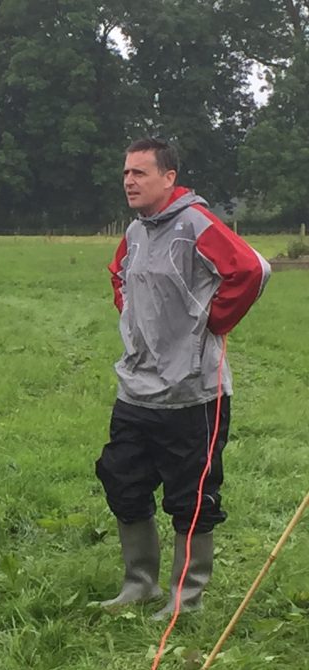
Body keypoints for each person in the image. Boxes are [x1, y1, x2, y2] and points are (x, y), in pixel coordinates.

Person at [96, 138, 271, 619]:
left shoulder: (195, 224)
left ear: (169, 178)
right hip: (136, 389)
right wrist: (136, 323)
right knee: (121, 480)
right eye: (126, 173)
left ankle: (185, 599)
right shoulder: (134, 232)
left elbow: (253, 269)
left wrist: (210, 323)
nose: (129, 181)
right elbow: (118, 276)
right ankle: (140, 584)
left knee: (191, 497)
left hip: (194, 393)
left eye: (140, 173)